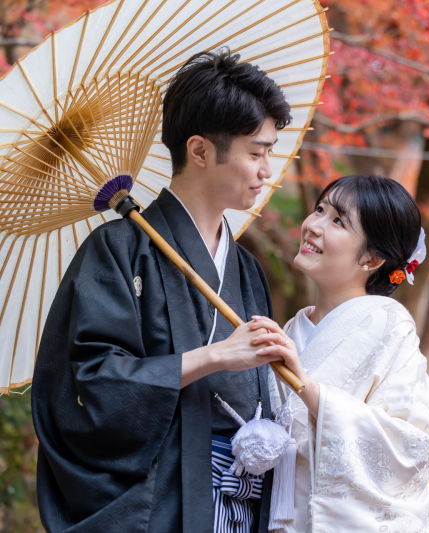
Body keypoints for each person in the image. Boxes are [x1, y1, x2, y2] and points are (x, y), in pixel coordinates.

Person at [32, 50, 294, 533]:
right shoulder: (117, 249)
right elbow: (96, 382)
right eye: (255, 153)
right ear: (199, 151)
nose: (265, 170)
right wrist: (215, 357)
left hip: (245, 502)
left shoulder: (249, 269)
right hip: (166, 501)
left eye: (269, 153)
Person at [248, 175, 429, 532]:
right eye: (319, 209)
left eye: (337, 221)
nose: (313, 226)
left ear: (372, 258)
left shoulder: (388, 323)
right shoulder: (291, 330)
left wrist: (310, 390)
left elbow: (410, 446)